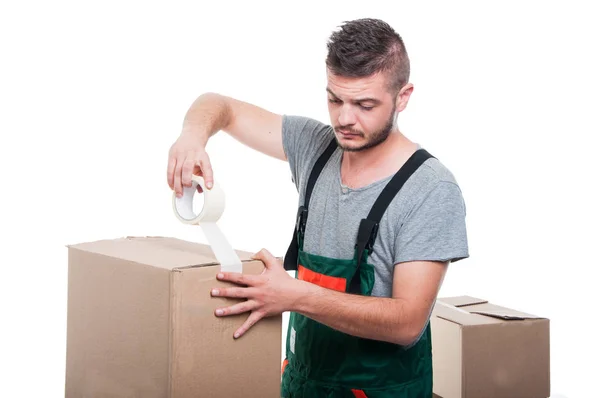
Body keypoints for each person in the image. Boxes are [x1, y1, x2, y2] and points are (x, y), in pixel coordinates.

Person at [167, 18, 468, 398]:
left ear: (403, 97)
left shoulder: (429, 189)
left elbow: (407, 322)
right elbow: (218, 105)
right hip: (303, 384)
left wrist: (294, 296)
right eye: (334, 99)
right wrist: (192, 136)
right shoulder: (315, 147)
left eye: (365, 104)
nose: (344, 118)